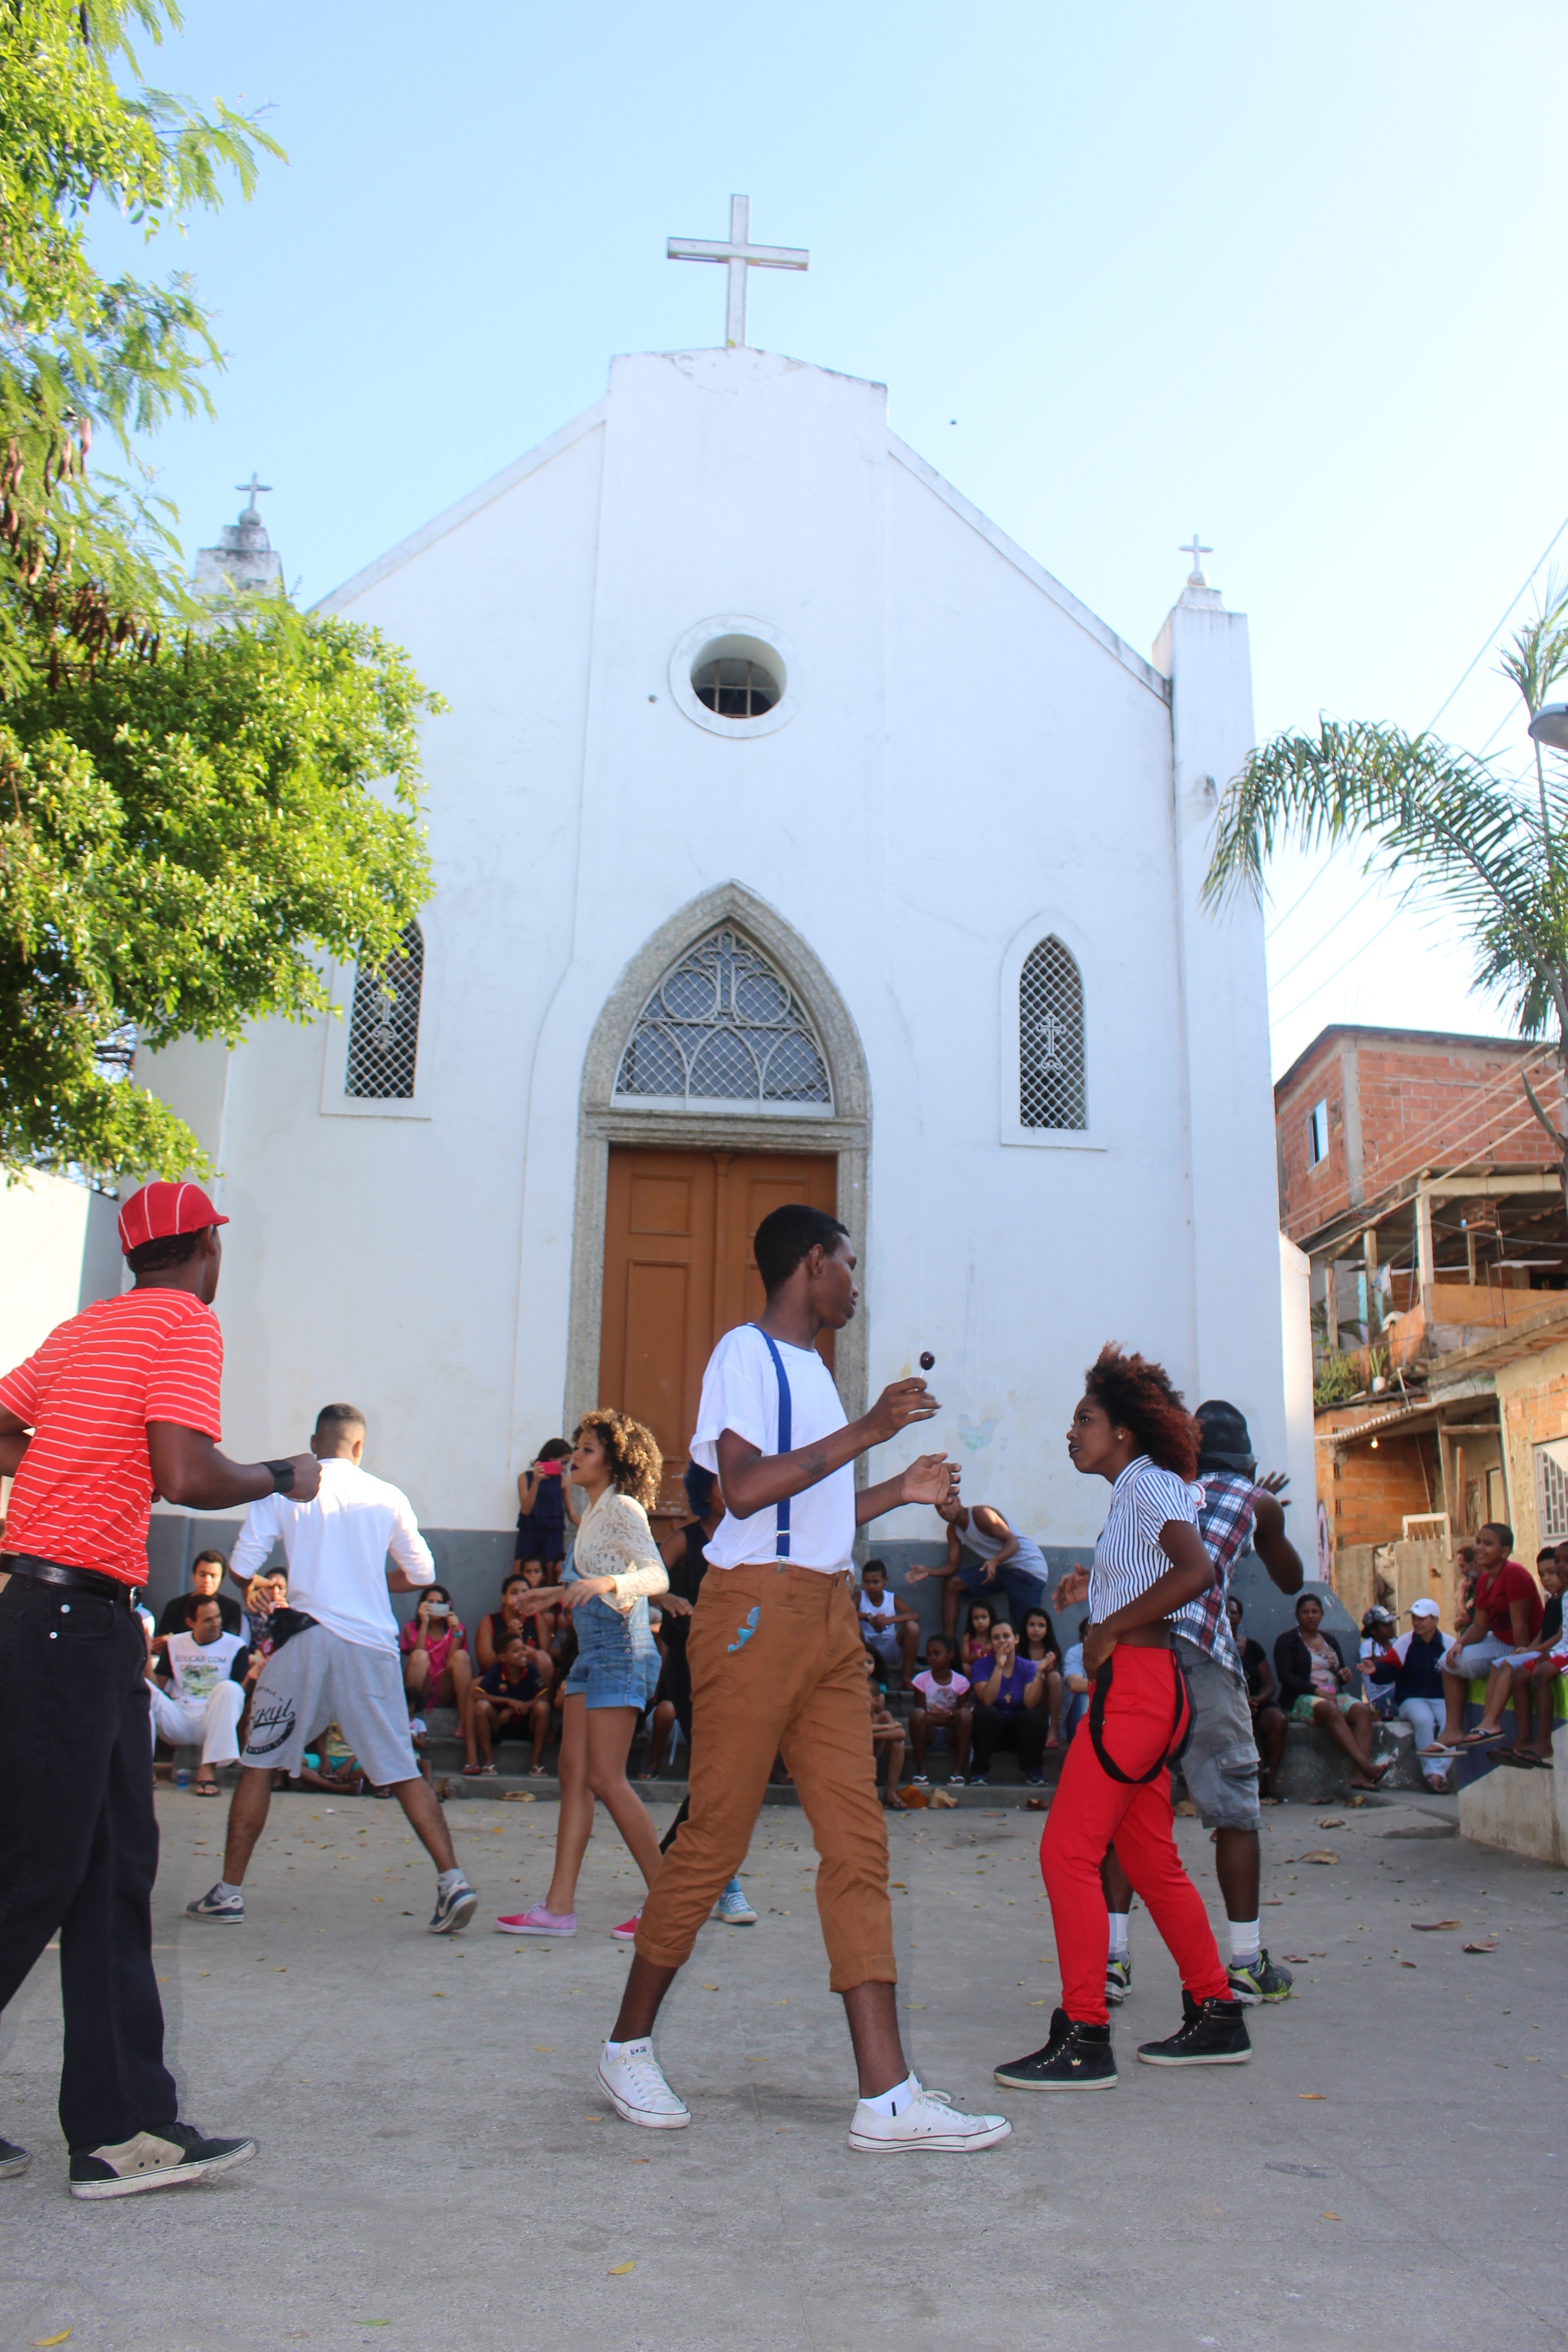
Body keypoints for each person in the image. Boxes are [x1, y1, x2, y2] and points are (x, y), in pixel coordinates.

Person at [598, 1202, 1009, 2152]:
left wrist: (898, 1490)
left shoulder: (817, 1375)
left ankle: (887, 2096)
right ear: (812, 1264)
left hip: (826, 1614)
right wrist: (870, 1429)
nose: (857, 1284)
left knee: (859, 1843)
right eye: (849, 1265)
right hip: (754, 1615)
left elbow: (810, 1508)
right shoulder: (744, 1354)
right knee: (715, 1840)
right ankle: (626, 2045)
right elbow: (742, 1492)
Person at [0, 1180, 313, 2195]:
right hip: (70, 1620)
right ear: (206, 1248)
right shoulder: (184, 1322)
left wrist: (65, 1464)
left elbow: (3, 1425)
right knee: (38, 1870)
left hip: (71, 1619)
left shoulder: (83, 1330)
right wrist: (280, 1474)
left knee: (111, 1871)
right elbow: (185, 1474)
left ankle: (122, 2129)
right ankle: (122, 2122)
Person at [995, 1346, 1251, 2094]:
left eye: (1085, 1419)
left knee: (1066, 1854)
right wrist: (1097, 1591)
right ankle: (1216, 2011)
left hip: (1137, 1691)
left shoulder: (1147, 1483)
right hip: (1150, 1690)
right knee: (1150, 1862)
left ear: (1124, 1430)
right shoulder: (1139, 1488)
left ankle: (1084, 2034)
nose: (1071, 1433)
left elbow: (1197, 1570)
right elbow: (1158, 1570)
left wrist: (1107, 1628)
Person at [188, 1401, 478, 1934]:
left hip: (305, 1640)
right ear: (360, 1447)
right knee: (402, 1768)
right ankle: (453, 1881)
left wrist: (254, 1586)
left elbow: (242, 1568)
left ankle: (228, 1893)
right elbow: (422, 1574)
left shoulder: (286, 1488)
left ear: (314, 1444)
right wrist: (367, 1580)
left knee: (260, 1761)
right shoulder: (389, 1496)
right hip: (372, 1648)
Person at [1094, 1399, 1301, 2011]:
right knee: (1234, 1810)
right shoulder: (1254, 1499)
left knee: (1125, 1806)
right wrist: (1266, 1515)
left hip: (1135, 1652)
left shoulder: (1156, 1487)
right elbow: (1291, 1579)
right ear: (1248, 1463)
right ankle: (1247, 1963)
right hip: (1202, 1655)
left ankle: (1112, 1960)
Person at [495, 1411, 671, 1937]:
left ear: (614, 1462)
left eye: (588, 1449)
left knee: (604, 1778)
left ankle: (669, 1907)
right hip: (590, 1655)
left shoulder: (622, 1508)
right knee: (574, 1775)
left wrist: (604, 1586)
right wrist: (552, 1594)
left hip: (621, 1651)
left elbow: (656, 1576)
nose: (576, 1456)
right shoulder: (594, 1511)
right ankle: (558, 1909)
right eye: (577, 1446)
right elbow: (593, 1578)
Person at [641, 1463, 754, 1924]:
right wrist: (664, 1598)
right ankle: (725, 1882)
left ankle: (669, 1853)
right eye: (723, 1481)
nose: (733, 1487)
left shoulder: (750, 1539)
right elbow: (643, 1579)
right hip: (689, 1666)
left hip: (739, 1665)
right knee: (716, 1769)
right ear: (704, 1490)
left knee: (727, 1771)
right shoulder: (684, 1540)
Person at [1435, 1523, 1543, 1749]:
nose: (1480, 1548)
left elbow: (1520, 1625)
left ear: (1505, 1551)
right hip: (1498, 1639)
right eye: (1478, 1542)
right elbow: (1480, 1626)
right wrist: (1460, 1643)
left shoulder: (1514, 1574)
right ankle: (1453, 1729)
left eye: (1488, 1544)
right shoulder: (1484, 1581)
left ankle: (1490, 1723)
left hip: (1521, 1643)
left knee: (1483, 1664)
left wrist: (1522, 1657)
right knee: (1447, 1661)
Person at [1273, 1592, 1390, 1790]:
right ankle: (1366, 1766)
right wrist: (1316, 1690)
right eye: (1306, 1612)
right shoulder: (1287, 1641)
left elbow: (1339, 1671)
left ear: (1321, 1614)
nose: (1311, 1616)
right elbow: (1286, 1677)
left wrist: (1344, 1675)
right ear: (1298, 1615)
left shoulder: (1330, 1640)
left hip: (1334, 1695)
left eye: (1315, 1612)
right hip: (1301, 1698)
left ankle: (1359, 1776)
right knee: (1329, 1709)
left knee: (1362, 1711)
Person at [147, 1592, 250, 1797]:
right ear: (191, 1623)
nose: (216, 1624)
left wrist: (252, 1677)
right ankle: (144, 1768)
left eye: (218, 1617)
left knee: (229, 1688)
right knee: (143, 1689)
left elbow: (238, 1696)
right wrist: (145, 1655)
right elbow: (158, 1687)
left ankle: (207, 1772)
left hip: (213, 1719)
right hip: (179, 1716)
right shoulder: (175, 1644)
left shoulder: (236, 1646)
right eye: (208, 1620)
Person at [907, 1497, 1050, 1636]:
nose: (943, 1510)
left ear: (958, 1501)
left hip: (1028, 1568)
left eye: (948, 1503)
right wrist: (929, 1571)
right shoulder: (953, 1530)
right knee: (952, 1583)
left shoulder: (981, 1514)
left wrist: (995, 1561)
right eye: (939, 1508)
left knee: (1025, 1628)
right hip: (1004, 1568)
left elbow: (1014, 1543)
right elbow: (953, 1566)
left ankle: (1033, 1653)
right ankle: (948, 1645)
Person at [1494, 1550, 1567, 1768]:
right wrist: (1543, 1652)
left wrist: (1546, 1652)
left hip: (1564, 1652)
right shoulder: (1560, 1600)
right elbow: (1562, 1634)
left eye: (1564, 1562)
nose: (1560, 1567)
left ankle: (1544, 1743)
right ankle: (1524, 1739)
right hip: (1561, 1650)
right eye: (1558, 1562)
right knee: (1520, 1674)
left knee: (1541, 1675)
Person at [969, 1618, 1051, 1786]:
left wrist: (1040, 1673)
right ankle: (979, 1772)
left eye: (1006, 1636)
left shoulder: (1028, 1667)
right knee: (985, 1712)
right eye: (996, 1638)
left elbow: (1030, 1704)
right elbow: (987, 1700)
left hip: (1018, 1733)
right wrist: (999, 1667)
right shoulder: (981, 1666)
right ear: (991, 1643)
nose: (1002, 1641)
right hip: (991, 1732)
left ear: (1017, 1639)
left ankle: (1034, 1772)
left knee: (1036, 1715)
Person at [1385, 1598, 1457, 1789]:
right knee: (1424, 1720)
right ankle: (1434, 1774)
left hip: (1442, 1698)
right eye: (1415, 1618)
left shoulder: (1449, 1644)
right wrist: (1375, 1670)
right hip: (1411, 1698)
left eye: (1422, 1619)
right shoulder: (1405, 1642)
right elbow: (1388, 1668)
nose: (1417, 1623)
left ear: (1435, 1620)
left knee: (1451, 1723)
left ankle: (1437, 1773)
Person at [467, 1629, 553, 1776]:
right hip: (501, 1723)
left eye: (523, 1649)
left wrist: (518, 1707)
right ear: (503, 1658)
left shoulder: (531, 1670)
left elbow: (543, 1698)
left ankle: (536, 1762)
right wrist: (509, 1701)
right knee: (481, 1707)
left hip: (526, 1723)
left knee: (543, 1708)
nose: (523, 1654)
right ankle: (489, 1761)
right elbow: (477, 1694)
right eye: (516, 1651)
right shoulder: (496, 1671)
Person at [1226, 1596, 1287, 1801]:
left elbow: (1269, 1684)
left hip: (1253, 1703)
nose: (1229, 1616)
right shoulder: (1212, 1645)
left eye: (1234, 1613)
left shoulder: (1253, 1648)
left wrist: (1256, 1700)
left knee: (1278, 1720)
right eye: (1225, 1612)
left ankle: (1269, 1781)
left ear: (1240, 1617)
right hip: (1227, 1704)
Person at [400, 1583, 472, 1719]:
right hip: (422, 1687)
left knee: (461, 1656)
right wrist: (424, 1623)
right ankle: (407, 1720)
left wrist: (456, 1633)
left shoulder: (458, 1629)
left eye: (439, 1603)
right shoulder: (411, 1628)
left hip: (445, 1689)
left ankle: (465, 1721)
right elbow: (416, 1657)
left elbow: (453, 1661)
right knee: (420, 1656)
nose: (435, 1606)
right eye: (430, 1603)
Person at [909, 1632, 972, 1784]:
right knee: (917, 1714)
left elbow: (961, 1716)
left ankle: (958, 1770)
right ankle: (922, 1769)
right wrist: (949, 1716)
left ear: (950, 1655)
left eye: (937, 1654)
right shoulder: (920, 1680)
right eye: (929, 1654)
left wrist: (946, 1717)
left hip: (951, 1734)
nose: (932, 1658)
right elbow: (921, 1715)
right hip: (929, 1733)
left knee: (966, 1715)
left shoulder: (961, 1682)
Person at [514, 1437, 576, 1575]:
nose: (564, 1468)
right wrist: (536, 1481)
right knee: (523, 1573)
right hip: (529, 1530)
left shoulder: (564, 1481)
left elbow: (572, 1514)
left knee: (551, 1574)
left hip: (553, 1533)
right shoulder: (525, 1478)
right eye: (562, 1463)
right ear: (550, 1458)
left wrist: (590, 1525)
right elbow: (526, 1510)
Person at [857, 1558, 920, 1688]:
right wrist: (867, 1617)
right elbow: (844, 1613)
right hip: (865, 1647)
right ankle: (858, 1675)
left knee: (912, 1627)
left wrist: (889, 1620)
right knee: (853, 1626)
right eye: (867, 1582)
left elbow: (915, 1615)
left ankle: (906, 1678)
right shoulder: (860, 1596)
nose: (871, 1586)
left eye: (876, 1582)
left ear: (886, 1581)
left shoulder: (892, 1598)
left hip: (888, 1648)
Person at [155, 1547, 243, 1639]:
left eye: (213, 1576)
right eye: (202, 1575)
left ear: (221, 1580)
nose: (207, 1581)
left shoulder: (232, 1609)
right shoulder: (175, 1606)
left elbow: (231, 1642)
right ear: (194, 1576)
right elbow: (163, 1638)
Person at [1019, 1605, 1064, 1748]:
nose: (1036, 1630)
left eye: (1041, 1626)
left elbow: (1049, 1682)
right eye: (1032, 1625)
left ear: (1048, 1629)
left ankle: (1052, 1731)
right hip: (1022, 1697)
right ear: (1025, 1627)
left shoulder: (1051, 1651)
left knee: (1055, 1677)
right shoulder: (1018, 1650)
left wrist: (1046, 1671)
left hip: (1042, 1698)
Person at [866, 1655, 909, 1804]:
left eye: (865, 1698)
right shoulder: (852, 1717)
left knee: (898, 1744)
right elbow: (856, 1731)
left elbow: (901, 1734)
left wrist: (871, 1734)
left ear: (876, 1701)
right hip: (856, 1766)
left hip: (877, 1760)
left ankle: (891, 1793)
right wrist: (887, 1728)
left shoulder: (882, 1717)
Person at [1359, 1606, 1401, 1716]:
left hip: (1397, 1689)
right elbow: (1375, 1664)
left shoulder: (1395, 1642)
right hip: (1380, 1695)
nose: (1392, 1628)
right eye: (1387, 1626)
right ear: (1374, 1631)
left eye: (1392, 1624)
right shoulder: (1368, 1645)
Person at [1060, 1620, 1093, 1740]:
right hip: (1079, 1718)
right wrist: (1109, 1685)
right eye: (1087, 1634)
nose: (1091, 1637)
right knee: (1084, 1695)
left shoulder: (1117, 1651)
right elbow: (1075, 1685)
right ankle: (1084, 1741)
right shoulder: (1075, 1652)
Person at [959, 1597, 998, 1680]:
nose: (980, 1622)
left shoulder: (996, 1635)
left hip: (993, 1670)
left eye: (984, 1617)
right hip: (975, 1670)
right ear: (971, 1620)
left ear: (991, 1618)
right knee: (965, 1667)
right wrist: (980, 1654)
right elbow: (965, 1660)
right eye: (976, 1618)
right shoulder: (968, 1636)